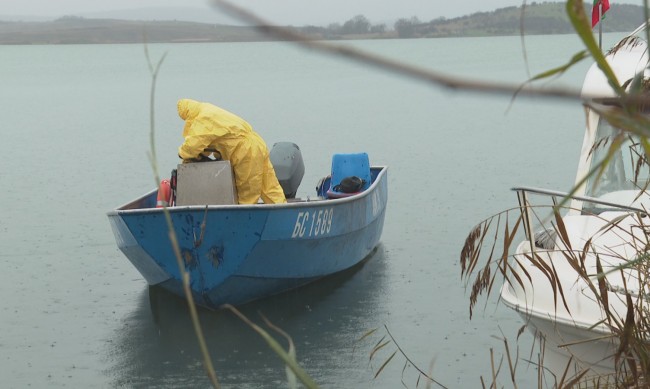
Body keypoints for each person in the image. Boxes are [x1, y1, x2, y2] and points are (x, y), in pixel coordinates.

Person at [176, 98, 286, 204]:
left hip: (245, 151)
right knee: (269, 186)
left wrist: (182, 153)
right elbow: (207, 143)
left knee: (247, 190)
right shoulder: (209, 110)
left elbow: (193, 145)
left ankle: (245, 218)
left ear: (187, 114)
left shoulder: (202, 119)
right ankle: (283, 213)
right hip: (257, 143)